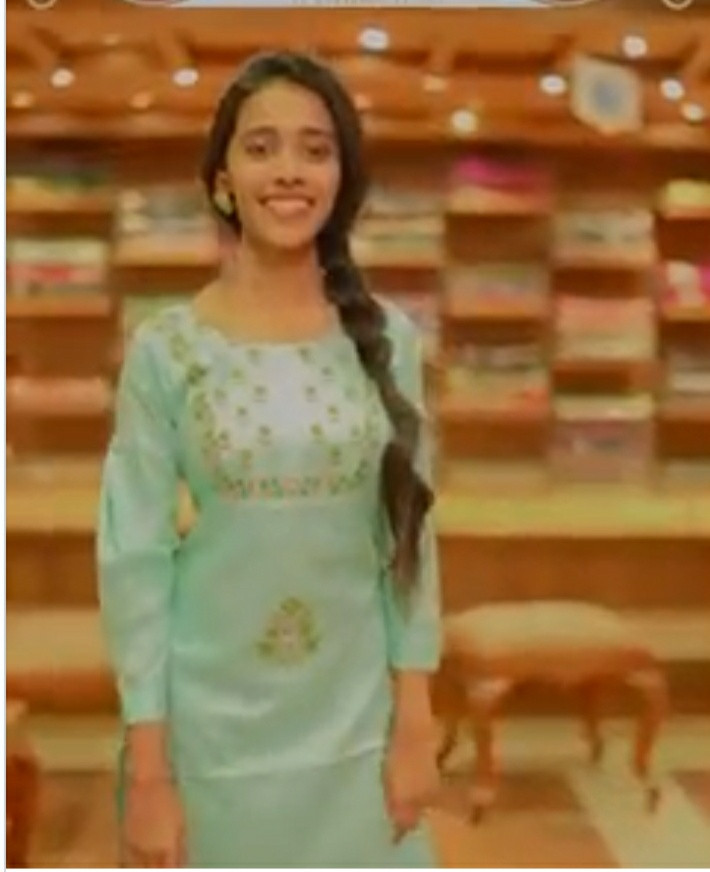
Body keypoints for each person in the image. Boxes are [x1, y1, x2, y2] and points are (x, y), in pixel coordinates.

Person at [97, 49, 442, 869]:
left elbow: (410, 540)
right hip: (209, 740)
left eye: (315, 149)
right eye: (262, 147)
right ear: (223, 180)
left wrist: (415, 721)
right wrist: (150, 770)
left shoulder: (388, 341)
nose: (289, 170)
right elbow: (133, 562)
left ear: (340, 179)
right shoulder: (167, 351)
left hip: (357, 734)